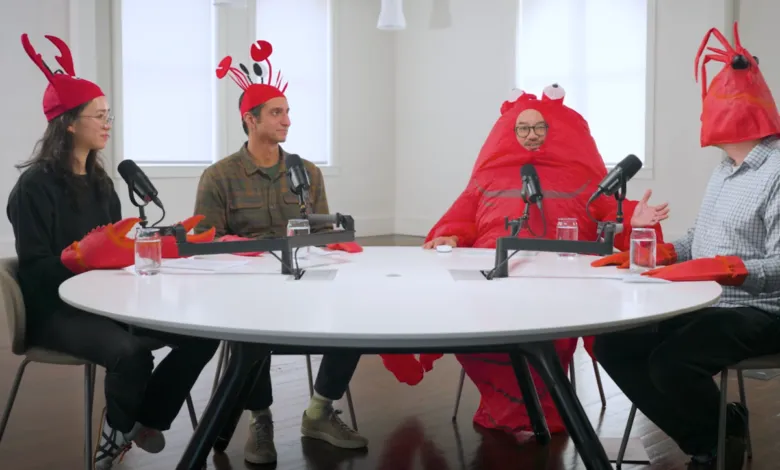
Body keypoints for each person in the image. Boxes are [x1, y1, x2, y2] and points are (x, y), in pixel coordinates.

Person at [380, 84, 669, 438]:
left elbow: (610, 215)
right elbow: (460, 218)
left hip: (561, 284)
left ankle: (542, 410)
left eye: (539, 127)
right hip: (492, 282)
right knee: (476, 328)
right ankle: (511, 408)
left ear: (552, 130)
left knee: (549, 331)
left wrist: (632, 221)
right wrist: (450, 237)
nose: (531, 135)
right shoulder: (486, 179)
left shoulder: (582, 179)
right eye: (523, 128)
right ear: (510, 132)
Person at [8, 34, 220, 469]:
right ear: (70, 123)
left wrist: (153, 251)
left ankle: (142, 421)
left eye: (110, 115)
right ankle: (114, 439)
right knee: (130, 353)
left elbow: (117, 251)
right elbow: (35, 270)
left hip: (107, 306)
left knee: (203, 335)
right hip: (55, 312)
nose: (108, 124)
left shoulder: (103, 184)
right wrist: (82, 261)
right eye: (99, 115)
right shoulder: (33, 188)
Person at [590, 22, 780, 470]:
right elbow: (700, 238)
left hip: (762, 310)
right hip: (708, 303)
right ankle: (715, 432)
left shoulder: (776, 172)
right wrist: (660, 253)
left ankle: (714, 441)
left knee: (671, 362)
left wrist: (727, 269)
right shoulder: (724, 169)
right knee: (613, 345)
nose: (703, 113)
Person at [193, 40, 367, 465]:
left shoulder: (307, 172)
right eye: (276, 112)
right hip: (249, 289)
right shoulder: (219, 177)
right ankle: (261, 418)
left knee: (357, 318)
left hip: (306, 283)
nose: (287, 120)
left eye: (287, 111)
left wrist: (337, 243)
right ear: (249, 120)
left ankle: (319, 412)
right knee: (252, 326)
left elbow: (322, 234)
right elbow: (204, 242)